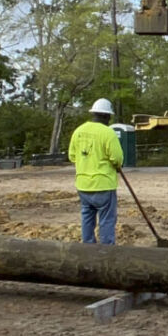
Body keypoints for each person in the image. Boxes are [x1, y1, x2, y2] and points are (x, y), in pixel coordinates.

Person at [68, 97, 124, 245]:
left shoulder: (78, 131)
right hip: (103, 184)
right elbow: (117, 158)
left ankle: (88, 248)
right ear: (106, 116)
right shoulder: (108, 133)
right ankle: (106, 252)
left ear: (94, 113)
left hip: (83, 184)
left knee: (87, 218)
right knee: (106, 220)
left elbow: (72, 156)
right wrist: (115, 164)